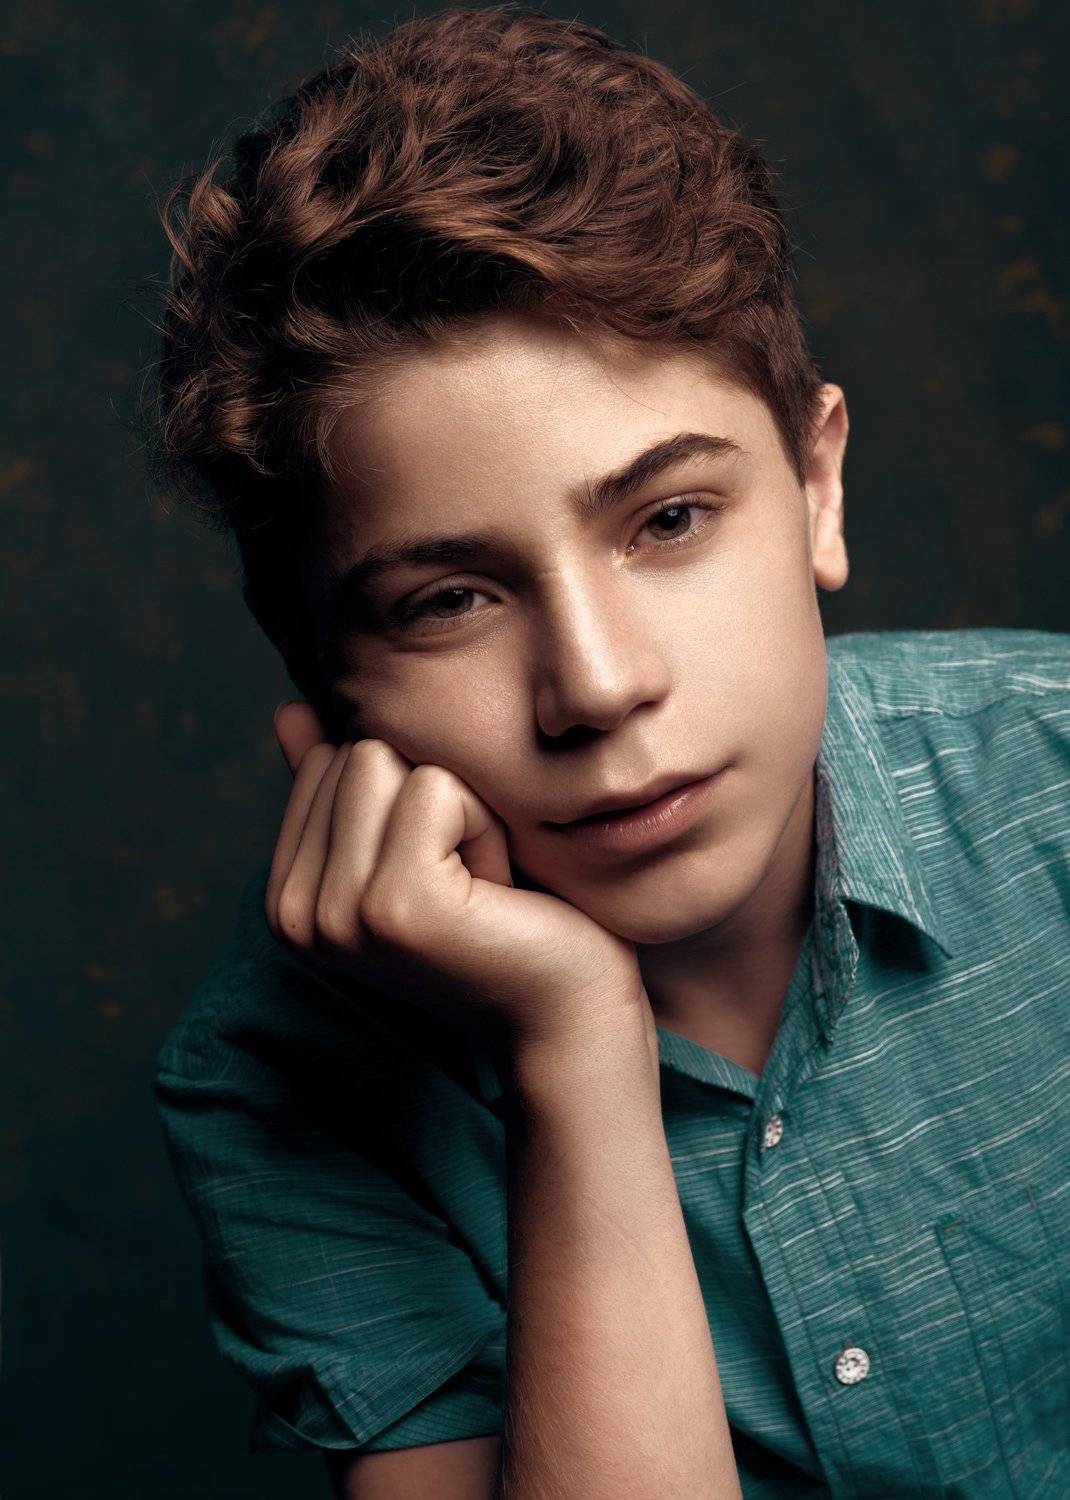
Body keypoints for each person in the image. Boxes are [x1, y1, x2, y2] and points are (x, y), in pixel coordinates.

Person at [147, 6, 1070, 1497]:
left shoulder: (1054, 779)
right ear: (325, 679)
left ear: (817, 489)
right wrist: (575, 1047)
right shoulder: (271, 1084)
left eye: (669, 520)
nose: (596, 684)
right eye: (449, 600)